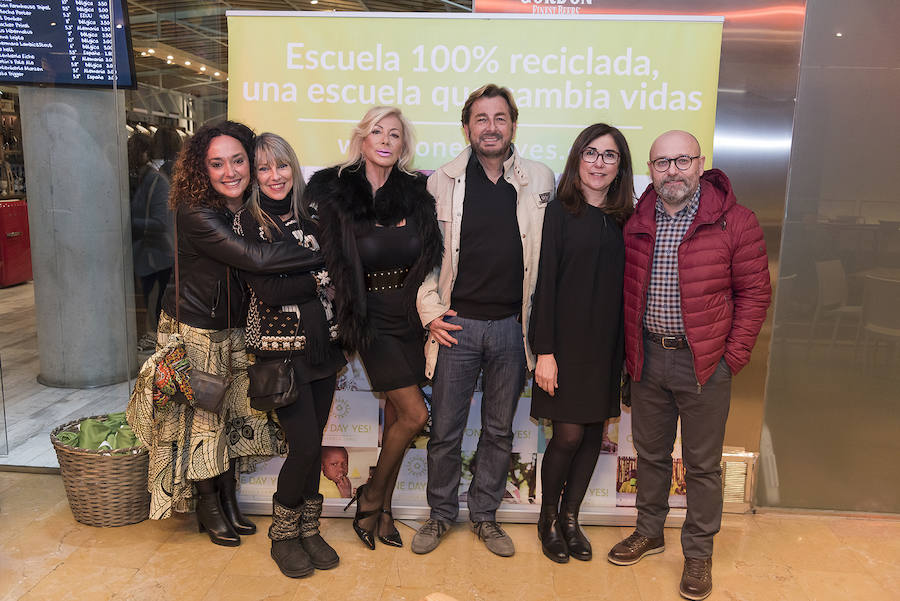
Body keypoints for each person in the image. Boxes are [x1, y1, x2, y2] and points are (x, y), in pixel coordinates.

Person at [127, 120, 326, 547]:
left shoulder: (244, 207)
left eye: (238, 160)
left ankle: (229, 498)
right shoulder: (197, 210)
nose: (230, 171)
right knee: (202, 421)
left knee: (230, 419)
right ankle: (208, 505)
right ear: (203, 169)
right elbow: (254, 257)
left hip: (234, 327)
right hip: (198, 326)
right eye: (217, 164)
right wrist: (327, 257)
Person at [607, 130, 771, 600]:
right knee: (651, 455)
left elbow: (756, 294)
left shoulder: (735, 222)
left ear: (700, 163)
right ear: (651, 170)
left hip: (705, 364)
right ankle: (649, 531)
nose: (672, 171)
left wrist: (730, 359)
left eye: (681, 161)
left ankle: (698, 553)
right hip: (648, 359)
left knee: (701, 466)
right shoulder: (637, 220)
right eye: (661, 163)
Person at [413, 84, 555, 557]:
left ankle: (486, 515)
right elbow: (423, 261)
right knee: (445, 431)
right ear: (467, 127)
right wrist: (431, 314)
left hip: (514, 330)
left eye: (499, 117)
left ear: (513, 124)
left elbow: (548, 262)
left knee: (498, 430)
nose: (490, 126)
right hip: (458, 327)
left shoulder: (540, 180)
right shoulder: (441, 182)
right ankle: (439, 514)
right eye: (481, 118)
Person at [308, 106, 443, 550]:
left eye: (395, 135)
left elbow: (430, 257)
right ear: (362, 139)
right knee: (416, 414)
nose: (386, 140)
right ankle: (369, 499)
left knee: (396, 418)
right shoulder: (336, 190)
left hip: (408, 315)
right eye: (377, 132)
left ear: (403, 145)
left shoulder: (415, 194)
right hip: (368, 317)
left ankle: (382, 508)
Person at [233, 132, 346, 577]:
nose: (275, 176)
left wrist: (307, 269)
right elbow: (266, 288)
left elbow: (335, 268)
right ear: (254, 176)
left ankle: (307, 528)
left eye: (281, 166)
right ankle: (283, 533)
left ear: (293, 169)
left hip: (324, 348)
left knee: (314, 442)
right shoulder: (246, 224)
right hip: (280, 356)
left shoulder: (314, 215)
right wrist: (316, 273)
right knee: (304, 446)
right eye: (264, 168)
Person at [529, 123, 634, 563]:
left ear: (619, 167)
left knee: (593, 435)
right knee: (568, 436)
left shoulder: (626, 220)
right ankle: (547, 518)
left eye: (609, 156)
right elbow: (544, 286)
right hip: (564, 346)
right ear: (577, 159)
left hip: (607, 346)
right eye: (591, 153)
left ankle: (571, 519)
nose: (598, 163)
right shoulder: (558, 213)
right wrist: (545, 353)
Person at [131, 129, 178, 349]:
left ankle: (157, 337)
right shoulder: (146, 180)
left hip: (157, 253)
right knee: (155, 300)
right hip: (152, 252)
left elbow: (160, 222)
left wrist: (126, 223)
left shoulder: (156, 181)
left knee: (157, 301)